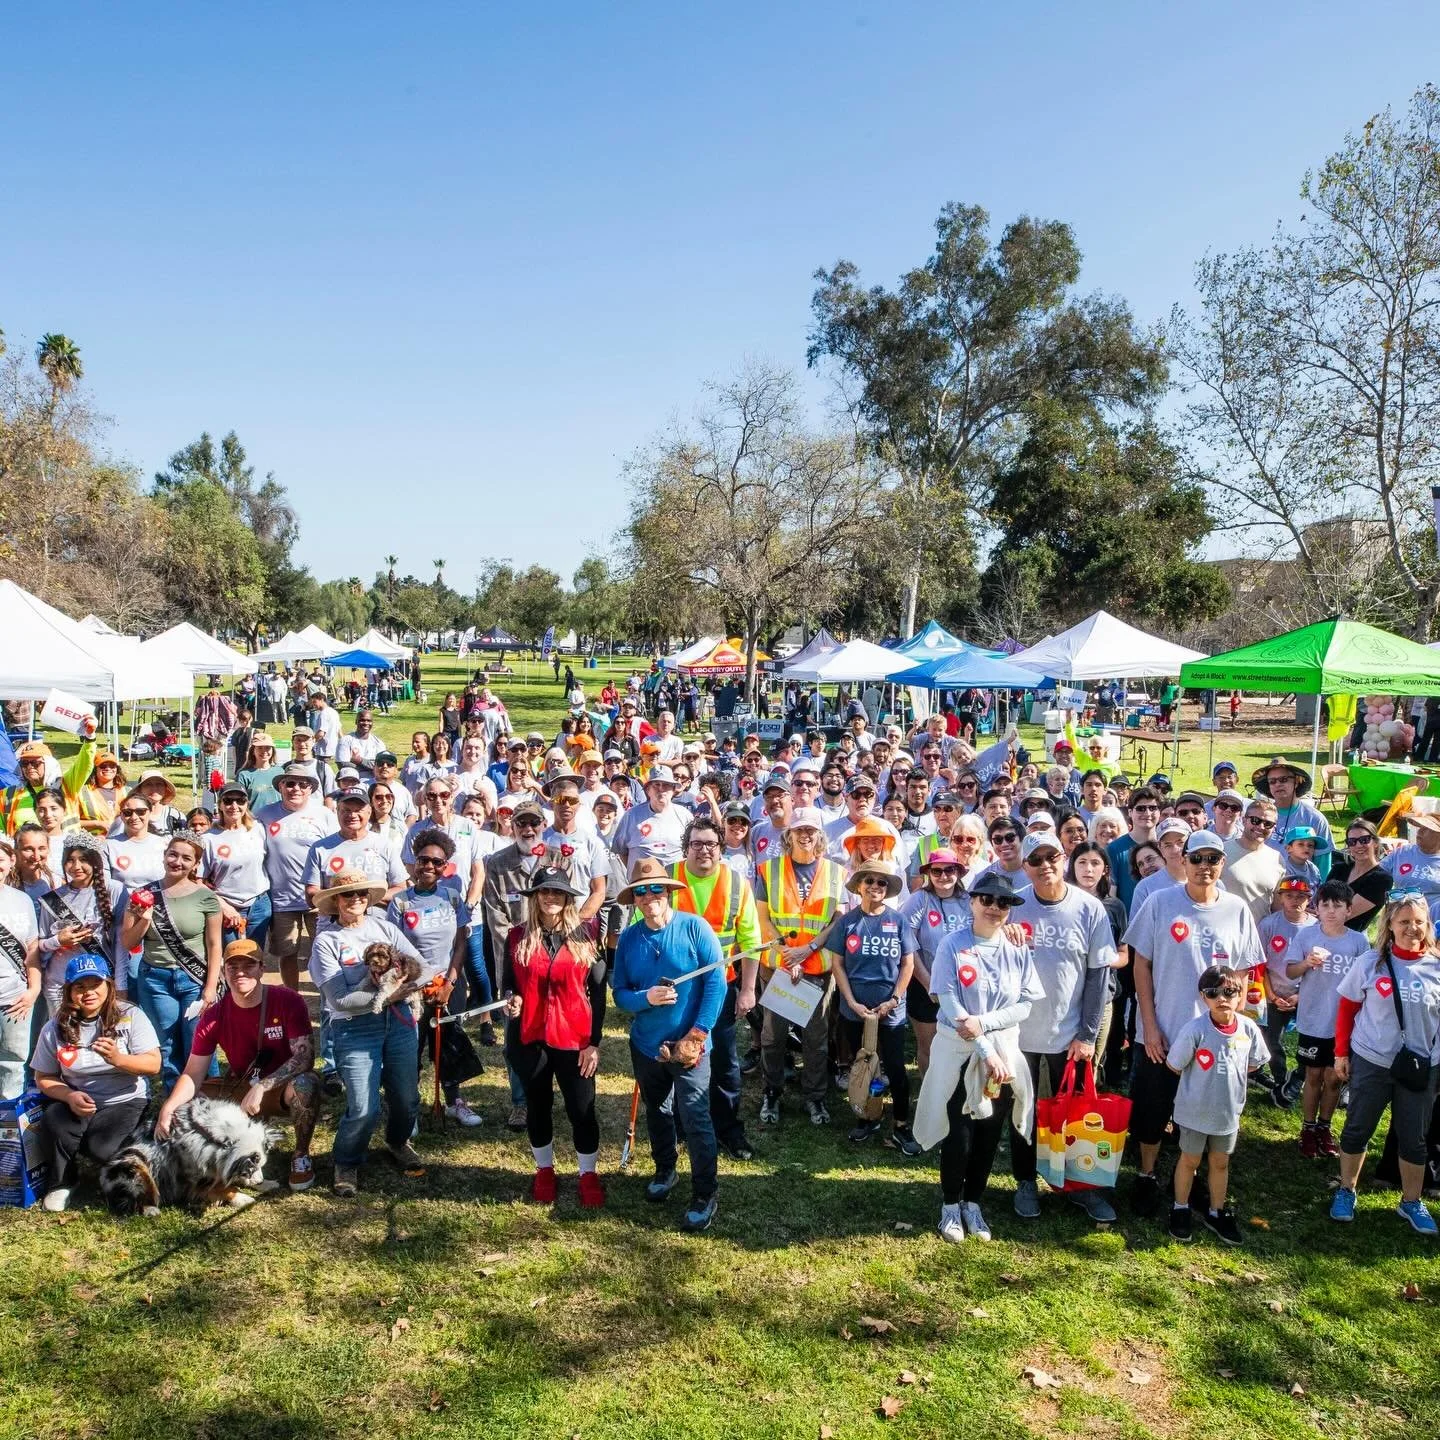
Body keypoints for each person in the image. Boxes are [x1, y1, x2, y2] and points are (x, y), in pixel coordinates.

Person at [1123, 829, 1262, 1217]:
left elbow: (1242, 973)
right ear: (1182, 860)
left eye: (1212, 859)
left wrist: (1230, 1023)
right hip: (1163, 1029)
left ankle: (1192, 1178)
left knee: (1203, 1110)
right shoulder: (1159, 902)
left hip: (1213, 1036)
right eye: (1196, 858)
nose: (1204, 866)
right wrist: (1149, 1025)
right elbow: (1141, 965)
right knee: (1152, 1110)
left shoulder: (1236, 909)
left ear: (1223, 863)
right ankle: (1147, 1176)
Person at [914, 871, 1040, 1243]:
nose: (994, 907)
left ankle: (974, 1203)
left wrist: (985, 1026)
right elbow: (950, 1004)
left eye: (1003, 902)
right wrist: (985, 1049)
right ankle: (950, 1206)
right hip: (959, 1053)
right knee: (960, 1134)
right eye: (987, 899)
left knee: (988, 1135)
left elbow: (1026, 1003)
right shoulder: (953, 945)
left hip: (1003, 1054)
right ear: (972, 901)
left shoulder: (1017, 948)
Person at [1009, 830, 1119, 1224]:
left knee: (1076, 1115)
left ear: (1064, 857)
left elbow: (1098, 976)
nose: (1044, 866)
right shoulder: (1013, 905)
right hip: (1018, 1034)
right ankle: (1025, 1181)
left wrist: (1088, 1035)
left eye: (1051, 857)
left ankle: (1081, 1187)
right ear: (1025, 866)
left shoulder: (1089, 909)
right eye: (1035, 860)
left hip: (1069, 1035)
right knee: (1023, 1112)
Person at [611, 858, 726, 1233]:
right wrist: (647, 998)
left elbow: (716, 983)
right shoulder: (629, 938)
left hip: (690, 1047)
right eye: (641, 892)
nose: (649, 898)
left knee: (695, 1118)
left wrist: (698, 1035)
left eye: (655, 889)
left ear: (668, 892)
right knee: (657, 1111)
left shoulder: (695, 928)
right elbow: (620, 994)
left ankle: (705, 1193)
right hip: (647, 1045)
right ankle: (665, 1169)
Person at [156, 937, 320, 1191]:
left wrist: (264, 1086)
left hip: (281, 1085)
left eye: (249, 965)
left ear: (262, 969)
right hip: (242, 1084)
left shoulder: (288, 1000)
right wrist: (169, 1106)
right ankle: (210, 1164)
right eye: (233, 967)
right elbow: (193, 1072)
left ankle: (300, 1155)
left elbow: (305, 1057)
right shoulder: (213, 1016)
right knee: (191, 1101)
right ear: (223, 972)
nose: (240, 972)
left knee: (306, 1085)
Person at [309, 870, 426, 1196]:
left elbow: (422, 966)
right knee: (363, 1107)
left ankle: (398, 1141)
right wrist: (392, 993)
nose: (356, 900)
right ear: (336, 901)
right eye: (348, 895)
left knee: (406, 1097)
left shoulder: (385, 928)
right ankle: (346, 1161)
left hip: (399, 1022)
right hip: (355, 1029)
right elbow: (341, 999)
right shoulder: (327, 941)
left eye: (362, 894)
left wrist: (401, 988)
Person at [1329, 893, 1440, 1233]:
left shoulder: (1437, 966)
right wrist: (1341, 1053)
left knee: (1413, 1136)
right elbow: (1347, 1008)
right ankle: (1347, 1190)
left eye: (1418, 922)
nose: (1412, 928)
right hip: (1372, 1059)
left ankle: (1411, 1202)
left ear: (1428, 925)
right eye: (1404, 922)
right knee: (1358, 1127)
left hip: (1421, 1065)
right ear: (1389, 925)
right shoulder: (1370, 963)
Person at [501, 866, 608, 1207]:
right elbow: (507, 983)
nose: (550, 898)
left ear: (567, 899)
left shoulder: (586, 935)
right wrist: (511, 999)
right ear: (534, 898)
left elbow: (599, 992)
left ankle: (587, 1173)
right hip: (530, 1035)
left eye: (558, 893)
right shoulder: (517, 937)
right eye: (544, 892)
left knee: (581, 1109)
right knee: (538, 1106)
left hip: (574, 1038)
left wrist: (594, 1043)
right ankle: (544, 1169)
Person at [31, 953, 161, 1211]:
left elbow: (153, 1065)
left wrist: (118, 1059)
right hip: (78, 1099)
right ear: (69, 991)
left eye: (95, 984)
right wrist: (68, 1096)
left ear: (108, 985)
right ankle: (62, 1183)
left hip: (125, 1100)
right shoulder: (55, 1026)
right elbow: (43, 1077)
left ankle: (123, 1154)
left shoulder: (130, 1015)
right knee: (53, 1122)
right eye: (80, 986)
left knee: (102, 1148)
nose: (88, 992)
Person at [746, 807, 846, 1128]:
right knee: (773, 1036)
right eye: (799, 830)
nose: (805, 835)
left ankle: (814, 1098)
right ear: (788, 835)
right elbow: (762, 919)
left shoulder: (835, 872)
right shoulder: (768, 869)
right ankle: (771, 1092)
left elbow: (837, 919)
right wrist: (788, 954)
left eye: (811, 831)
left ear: (820, 836)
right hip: (778, 966)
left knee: (816, 1039)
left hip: (817, 967)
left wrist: (809, 949)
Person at [670, 815, 761, 1161]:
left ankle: (728, 1129)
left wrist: (749, 989)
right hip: (678, 991)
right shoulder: (669, 878)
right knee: (678, 1056)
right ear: (686, 847)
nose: (703, 850)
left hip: (720, 991)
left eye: (710, 844)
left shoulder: (738, 884)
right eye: (696, 844)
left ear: (721, 848)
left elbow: (750, 942)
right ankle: (679, 1125)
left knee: (724, 1061)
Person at [821, 859, 922, 1155]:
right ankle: (868, 1115)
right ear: (860, 885)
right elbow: (837, 964)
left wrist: (894, 1000)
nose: (875, 887)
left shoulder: (898, 920)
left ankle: (901, 1125)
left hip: (889, 1012)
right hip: (855, 1010)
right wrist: (850, 1001)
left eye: (881, 882)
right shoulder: (847, 922)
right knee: (865, 1066)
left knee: (895, 1068)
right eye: (870, 881)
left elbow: (908, 964)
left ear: (888, 889)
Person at [1164, 965, 1268, 1244]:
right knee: (1190, 1160)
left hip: (1227, 1115)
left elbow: (1253, 1064)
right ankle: (1180, 1207)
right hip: (1194, 1112)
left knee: (1220, 1163)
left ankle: (1216, 1212)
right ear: (1203, 997)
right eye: (1213, 992)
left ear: (1240, 993)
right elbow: (1174, 1064)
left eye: (1229, 991)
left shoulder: (1248, 1029)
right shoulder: (1194, 1029)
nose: (1222, 998)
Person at [386, 826, 479, 1123]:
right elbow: (393, 950)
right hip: (412, 987)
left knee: (450, 1043)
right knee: (411, 1048)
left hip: (447, 983)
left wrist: (450, 982)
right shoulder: (399, 901)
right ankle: (407, 1109)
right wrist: (413, 983)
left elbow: (461, 942)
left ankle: (455, 1102)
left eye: (437, 862)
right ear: (414, 862)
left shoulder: (452, 898)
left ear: (445, 867)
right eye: (423, 860)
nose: (429, 866)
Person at [121, 829, 222, 1086]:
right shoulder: (143, 895)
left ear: (196, 864)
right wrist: (143, 920)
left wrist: (210, 987)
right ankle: (173, 1109)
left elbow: (214, 945)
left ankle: (209, 1105)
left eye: (186, 858)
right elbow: (127, 942)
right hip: (155, 980)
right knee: (167, 1046)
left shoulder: (206, 898)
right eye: (173, 854)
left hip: (194, 980)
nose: (177, 861)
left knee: (199, 1041)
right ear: (164, 856)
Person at [481, 799, 554, 1131]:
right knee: (515, 1035)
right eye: (521, 823)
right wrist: (520, 947)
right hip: (513, 961)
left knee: (552, 1030)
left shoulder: (555, 859)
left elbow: (565, 905)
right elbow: (496, 917)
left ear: (543, 825)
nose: (528, 829)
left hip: (552, 962)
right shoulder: (497, 864)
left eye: (533, 823)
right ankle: (520, 1102)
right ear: (512, 826)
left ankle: (546, 1094)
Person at [1288, 878, 1370, 1158]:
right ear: (1317, 909)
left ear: (1349, 910)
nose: (1332, 911)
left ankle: (1325, 1127)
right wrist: (1306, 964)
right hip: (1313, 1019)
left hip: (1344, 1024)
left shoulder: (1358, 941)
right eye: (1326, 905)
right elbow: (1290, 972)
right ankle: (1308, 1128)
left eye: (1338, 905)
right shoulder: (1306, 937)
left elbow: (1365, 981)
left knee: (1335, 1077)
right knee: (1313, 1075)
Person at [256, 763, 338, 991]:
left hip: (318, 897)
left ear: (311, 789)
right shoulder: (264, 815)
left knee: (323, 950)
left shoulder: (324, 815)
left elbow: (335, 852)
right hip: (282, 899)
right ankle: (292, 999)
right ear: (280, 786)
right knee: (287, 953)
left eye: (303, 784)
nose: (296, 789)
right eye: (290, 783)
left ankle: (326, 996)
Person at [900, 847, 971, 1078]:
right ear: (929, 873)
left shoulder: (969, 900)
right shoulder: (919, 899)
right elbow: (909, 944)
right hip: (925, 985)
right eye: (936, 871)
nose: (943, 876)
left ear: (958, 872)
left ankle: (958, 1094)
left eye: (949, 870)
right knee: (928, 1045)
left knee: (963, 1044)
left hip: (964, 986)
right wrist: (929, 982)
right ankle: (930, 1097)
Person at [36, 833, 127, 1011]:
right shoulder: (53, 899)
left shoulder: (114, 890)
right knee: (64, 1038)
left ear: (95, 861)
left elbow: (120, 945)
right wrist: (58, 941)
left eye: (83, 859)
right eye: (70, 860)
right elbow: (40, 945)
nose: (76, 866)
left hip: (99, 985)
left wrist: (121, 986)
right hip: (61, 984)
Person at [1258, 876, 1312, 1105]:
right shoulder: (1269, 925)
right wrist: (1271, 996)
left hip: (1306, 994)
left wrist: (1300, 996)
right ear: (1280, 897)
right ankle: (1281, 1079)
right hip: (1274, 992)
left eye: (1301, 896)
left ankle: (1299, 1076)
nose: (1295, 901)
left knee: (1309, 1041)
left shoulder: (1315, 928)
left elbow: (1318, 972)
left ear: (1309, 899)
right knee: (1271, 1039)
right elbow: (1260, 965)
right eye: (1289, 895)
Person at [202, 783, 271, 949]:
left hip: (259, 904)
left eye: (240, 800)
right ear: (220, 804)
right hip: (225, 905)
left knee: (255, 957)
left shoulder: (259, 829)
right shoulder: (208, 838)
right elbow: (198, 882)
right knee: (231, 958)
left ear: (246, 803)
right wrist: (224, 907)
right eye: (228, 801)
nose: (234, 806)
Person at [0, 835, 41, 1099]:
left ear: (11, 861)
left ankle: (7, 1132)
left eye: (0, 860)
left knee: (13, 1065)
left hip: (15, 999)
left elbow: (32, 951)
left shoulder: (22, 901)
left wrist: (33, 990)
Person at [1250, 758, 1333, 880]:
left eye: (1283, 779)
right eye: (1272, 781)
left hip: (1300, 891)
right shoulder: (1259, 817)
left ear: (1296, 782)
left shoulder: (1315, 819)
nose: (1278, 784)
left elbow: (1324, 866)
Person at [2, 732, 97, 835]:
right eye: (24, 763)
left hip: (66, 849)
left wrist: (90, 738)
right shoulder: (8, 795)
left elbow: (83, 764)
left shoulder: (66, 785)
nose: (29, 767)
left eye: (35, 763)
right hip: (26, 849)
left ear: (49, 764)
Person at [1222, 797, 1286, 924]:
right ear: (1244, 820)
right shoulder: (1222, 851)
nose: (1261, 827)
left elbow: (1277, 907)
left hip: (1259, 937)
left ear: (1274, 828)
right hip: (1224, 932)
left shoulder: (1277, 858)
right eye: (1255, 820)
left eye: (1268, 824)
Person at [611, 765, 688, 868]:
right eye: (656, 784)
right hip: (642, 882)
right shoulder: (631, 815)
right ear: (648, 790)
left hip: (676, 881)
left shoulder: (685, 816)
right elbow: (621, 851)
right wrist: (634, 873)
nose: (661, 789)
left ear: (673, 789)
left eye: (666, 785)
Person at [1106, 785, 1162, 909]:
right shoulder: (1115, 849)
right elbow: (1111, 894)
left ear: (1159, 812)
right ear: (1130, 812)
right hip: (1130, 921)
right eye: (1141, 809)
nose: (1147, 813)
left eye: (1153, 808)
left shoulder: (1166, 845)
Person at [1329, 819, 1391, 931]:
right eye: (1352, 841)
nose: (1358, 845)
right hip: (1322, 928)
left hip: (1351, 938)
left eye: (1364, 840)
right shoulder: (1339, 868)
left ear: (1375, 842)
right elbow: (1319, 900)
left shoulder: (1381, 879)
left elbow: (1343, 915)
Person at [1380, 810, 1440, 922]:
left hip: (1434, 922)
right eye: (1419, 827)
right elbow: (1376, 874)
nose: (1419, 832)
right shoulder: (1402, 853)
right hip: (1400, 917)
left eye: (1426, 829)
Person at [104, 791, 168, 889]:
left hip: (158, 901)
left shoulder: (163, 844)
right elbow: (105, 884)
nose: (134, 817)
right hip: (122, 902)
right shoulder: (108, 845)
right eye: (127, 813)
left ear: (150, 812)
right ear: (121, 815)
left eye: (140, 811)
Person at [76, 751, 127, 835]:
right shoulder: (82, 792)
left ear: (117, 769)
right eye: (103, 766)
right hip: (94, 843)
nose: (108, 769)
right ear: (95, 769)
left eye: (112, 766)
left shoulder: (127, 791)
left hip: (122, 841)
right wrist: (98, 824)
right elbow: (72, 821)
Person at [337, 708, 385, 779]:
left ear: (372, 723)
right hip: (352, 781)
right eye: (362, 720)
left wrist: (359, 760)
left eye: (369, 721)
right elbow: (342, 764)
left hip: (374, 782)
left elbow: (381, 766)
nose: (366, 723)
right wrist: (372, 766)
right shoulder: (345, 740)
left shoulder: (378, 743)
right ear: (356, 722)